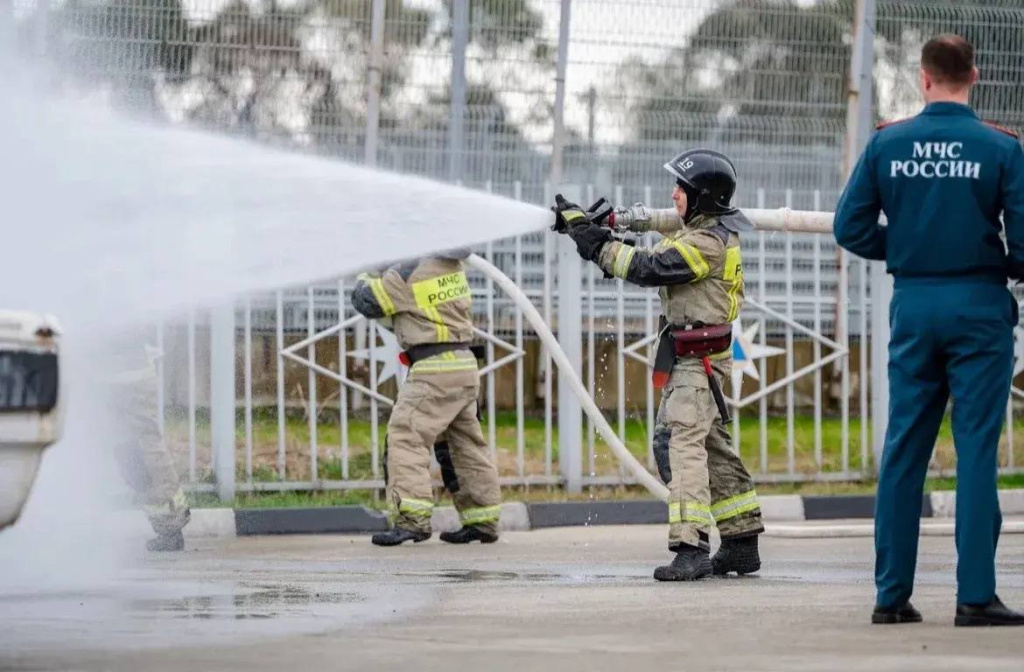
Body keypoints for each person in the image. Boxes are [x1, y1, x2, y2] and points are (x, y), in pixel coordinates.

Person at [834, 34, 1024, 627]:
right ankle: (975, 596)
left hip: (913, 305)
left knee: (903, 452)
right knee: (974, 453)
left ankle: (891, 597)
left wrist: (910, 248)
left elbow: (849, 226)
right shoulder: (1000, 147)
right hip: (978, 307)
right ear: (976, 74)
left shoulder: (888, 142)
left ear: (922, 78)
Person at [553, 149, 765, 581]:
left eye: (681, 189)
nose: (674, 195)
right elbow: (663, 238)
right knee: (708, 445)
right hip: (702, 357)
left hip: (697, 362)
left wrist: (595, 244)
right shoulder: (711, 230)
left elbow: (650, 267)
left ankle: (691, 547)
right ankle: (742, 541)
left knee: (677, 443)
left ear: (702, 197)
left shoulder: (706, 244)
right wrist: (603, 227)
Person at [351, 251, 502, 546]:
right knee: (465, 444)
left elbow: (367, 300)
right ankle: (482, 519)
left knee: (406, 435)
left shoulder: (408, 271)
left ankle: (412, 520)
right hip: (464, 366)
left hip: (434, 368)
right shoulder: (453, 266)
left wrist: (366, 272)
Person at [100, 337, 191, 552]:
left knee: (142, 450)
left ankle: (169, 526)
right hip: (122, 375)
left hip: (119, 376)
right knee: (137, 450)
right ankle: (169, 527)